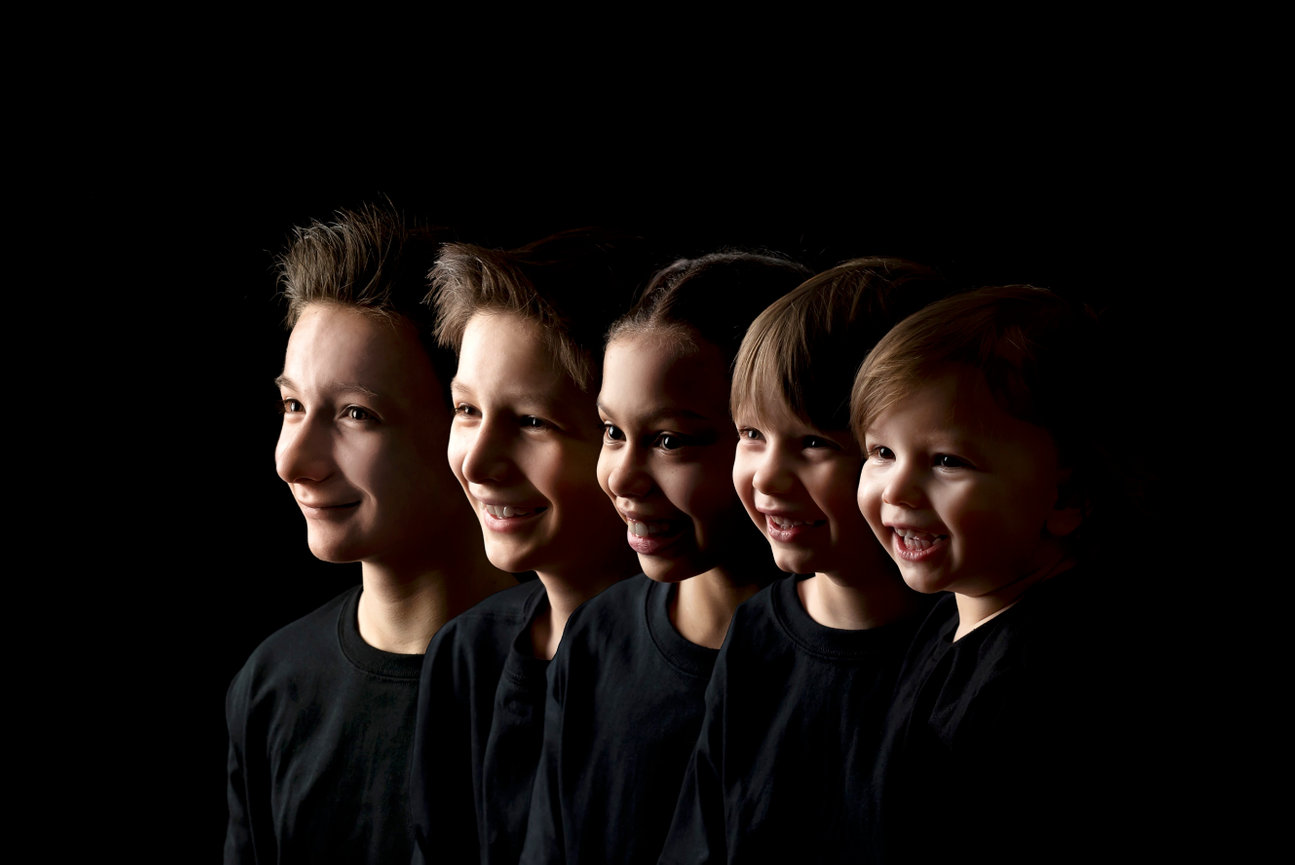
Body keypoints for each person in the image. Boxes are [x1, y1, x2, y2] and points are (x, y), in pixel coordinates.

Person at [224, 203, 514, 864]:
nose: (291, 460)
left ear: (465, 422)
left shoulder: (568, 677)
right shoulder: (272, 685)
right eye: (292, 405)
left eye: (356, 414)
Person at [658, 258, 953, 864]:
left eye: (815, 442)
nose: (767, 477)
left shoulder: (960, 651)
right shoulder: (755, 635)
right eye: (751, 434)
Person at [520, 252, 810, 865]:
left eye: (669, 440)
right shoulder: (596, 640)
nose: (622, 477)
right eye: (612, 432)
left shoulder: (844, 663)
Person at [409, 230, 649, 865]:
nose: (477, 462)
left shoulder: (699, 666)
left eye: (533, 421)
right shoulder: (465, 655)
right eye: (466, 410)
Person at [853, 284, 1112, 863]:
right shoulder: (954, 612)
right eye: (881, 453)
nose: (896, 490)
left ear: (1066, 496)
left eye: (948, 461)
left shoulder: (1039, 685)